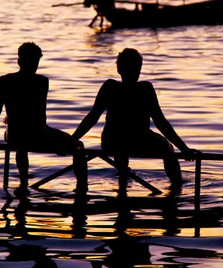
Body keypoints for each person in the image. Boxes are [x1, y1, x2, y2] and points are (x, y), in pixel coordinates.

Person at [69, 48, 198, 190]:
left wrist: (72, 139)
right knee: (168, 148)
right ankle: (177, 187)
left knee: (119, 140)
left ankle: (121, 182)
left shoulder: (109, 87)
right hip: (139, 141)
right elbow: (160, 122)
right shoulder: (145, 89)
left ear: (119, 69)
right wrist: (183, 148)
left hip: (111, 142)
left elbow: (92, 118)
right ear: (139, 69)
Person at [0, 42, 87, 192]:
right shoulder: (41, 82)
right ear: (21, 62)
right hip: (34, 133)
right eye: (34, 62)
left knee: (22, 141)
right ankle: (81, 189)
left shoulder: (5, 81)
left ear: (19, 61)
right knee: (77, 145)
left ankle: (23, 181)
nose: (34, 66)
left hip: (19, 134)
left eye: (36, 62)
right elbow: (33, 114)